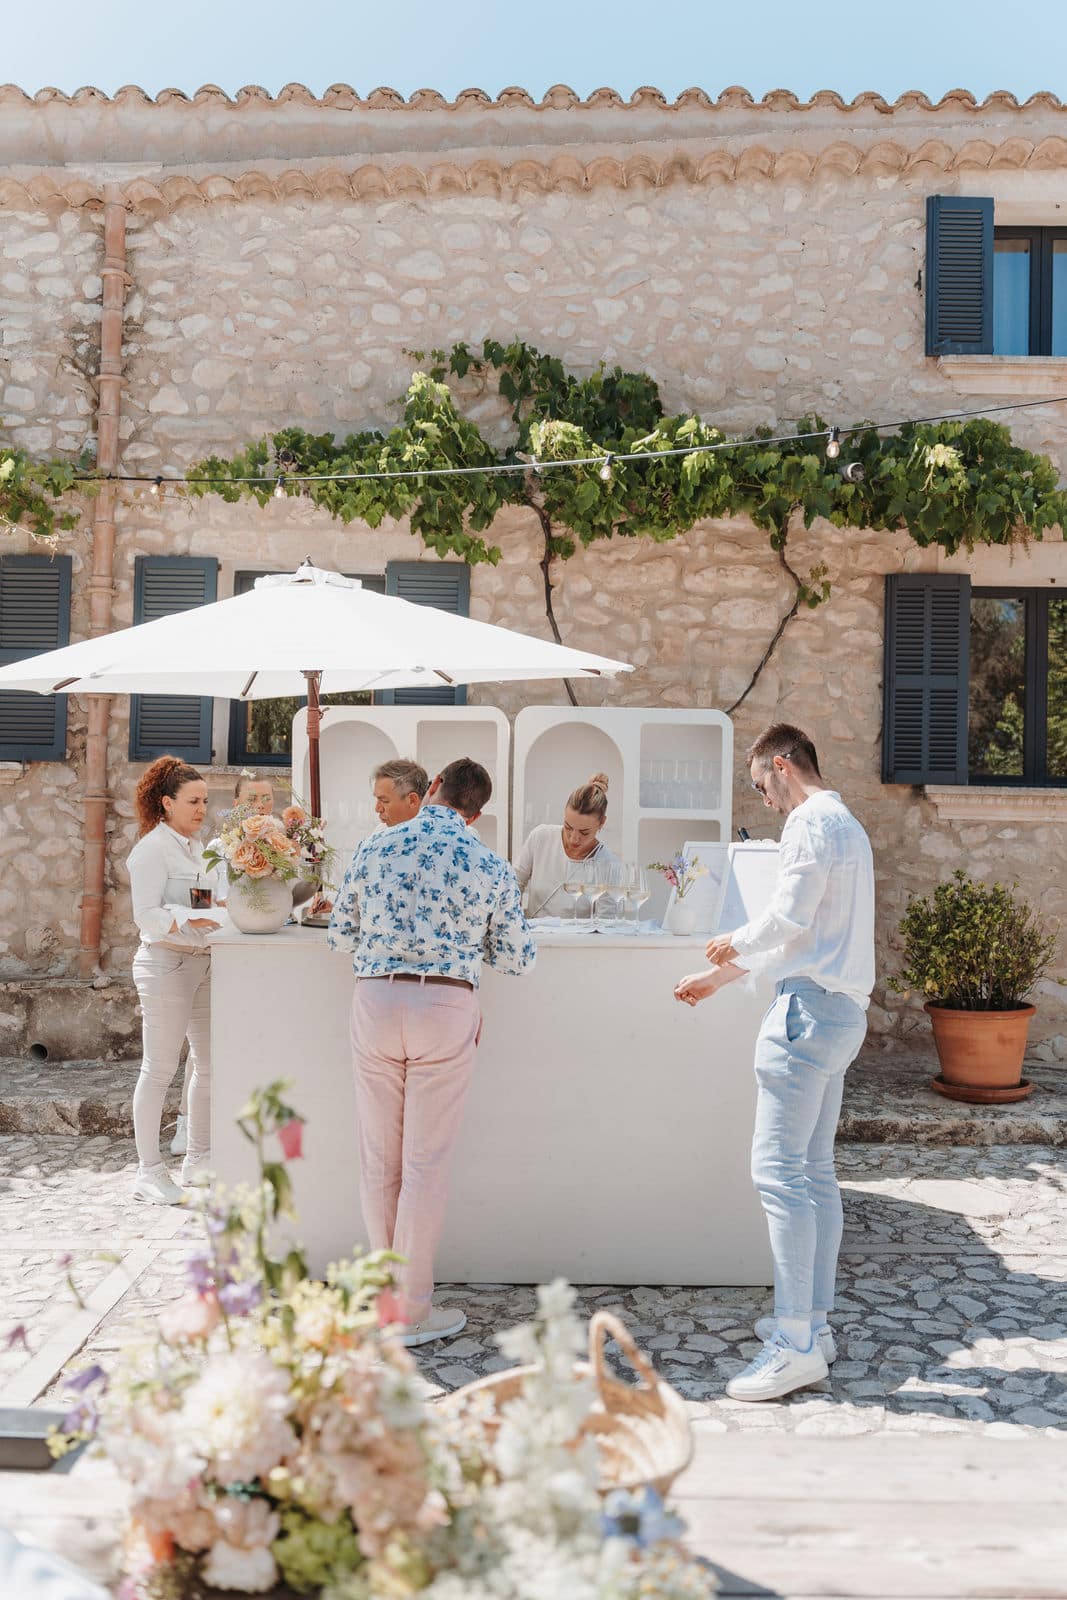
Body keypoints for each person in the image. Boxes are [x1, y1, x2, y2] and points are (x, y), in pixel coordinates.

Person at [674, 723, 874, 1402]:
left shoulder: (809, 823)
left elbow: (785, 920)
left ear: (782, 766)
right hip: (840, 1013)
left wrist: (726, 942)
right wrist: (719, 979)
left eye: (763, 786)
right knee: (813, 1174)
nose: (767, 802)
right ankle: (812, 1326)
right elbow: (806, 935)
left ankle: (792, 1345)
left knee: (779, 1175)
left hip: (805, 1017)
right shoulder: (846, 823)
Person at [328, 756, 537, 1347]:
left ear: (434, 788)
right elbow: (519, 958)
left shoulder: (377, 847)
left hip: (375, 1001)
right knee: (425, 1165)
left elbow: (340, 933)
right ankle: (412, 1311)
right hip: (446, 1009)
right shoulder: (490, 864)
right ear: (477, 811)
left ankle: (383, 1301)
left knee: (378, 1158)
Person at [127, 756, 222, 1204]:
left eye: (205, 801)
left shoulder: (197, 848)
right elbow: (145, 915)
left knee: (209, 1064)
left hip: (202, 965)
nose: (201, 808)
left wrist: (209, 916)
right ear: (166, 803)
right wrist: (189, 921)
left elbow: (200, 902)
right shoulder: (150, 849)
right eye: (192, 801)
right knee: (160, 1068)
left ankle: (198, 1160)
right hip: (165, 965)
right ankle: (148, 1171)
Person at [170, 769, 274, 1156]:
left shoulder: (281, 849)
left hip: (259, 960)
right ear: (235, 805)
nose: (260, 806)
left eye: (266, 800)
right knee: (204, 1049)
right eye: (251, 799)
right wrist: (229, 908)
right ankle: (185, 1125)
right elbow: (198, 902)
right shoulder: (212, 848)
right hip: (218, 956)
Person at [513, 773, 619, 918]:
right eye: (568, 827)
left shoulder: (607, 863)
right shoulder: (540, 837)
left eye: (584, 832)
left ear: (602, 823)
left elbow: (606, 921)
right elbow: (513, 885)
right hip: (533, 937)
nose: (574, 838)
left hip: (579, 941)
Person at [371, 758, 429, 829]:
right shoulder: (382, 830)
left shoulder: (436, 836)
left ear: (412, 800)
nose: (377, 809)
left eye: (384, 801)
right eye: (377, 799)